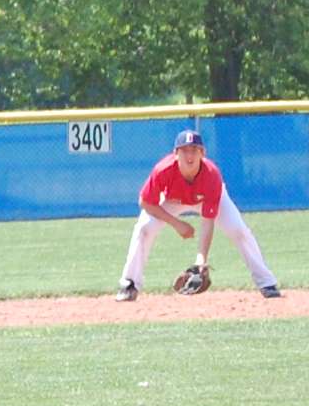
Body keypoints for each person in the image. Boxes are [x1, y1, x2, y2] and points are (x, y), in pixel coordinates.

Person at [117, 128, 282, 301]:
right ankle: (130, 284)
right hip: (173, 200)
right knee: (144, 227)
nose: (189, 155)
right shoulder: (163, 170)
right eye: (184, 150)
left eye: (194, 150)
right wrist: (176, 223)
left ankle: (266, 283)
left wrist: (201, 259)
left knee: (238, 230)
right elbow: (145, 202)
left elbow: (208, 220)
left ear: (203, 153)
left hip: (206, 198)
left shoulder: (212, 174)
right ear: (176, 153)